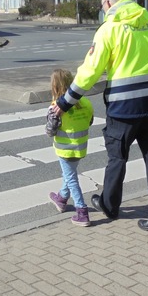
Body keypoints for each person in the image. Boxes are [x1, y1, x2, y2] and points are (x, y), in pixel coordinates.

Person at [52, 0, 148, 235]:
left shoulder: (109, 29)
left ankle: (110, 206)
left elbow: (89, 72)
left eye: (102, 7)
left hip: (125, 108)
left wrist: (64, 102)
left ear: (109, 4)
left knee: (117, 158)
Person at [46, 69, 94, 227]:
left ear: (54, 86)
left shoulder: (56, 107)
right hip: (80, 146)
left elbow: (50, 130)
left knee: (71, 178)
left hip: (64, 148)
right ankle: (61, 198)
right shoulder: (86, 103)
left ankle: (82, 211)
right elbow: (90, 121)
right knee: (70, 174)